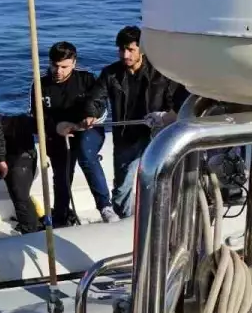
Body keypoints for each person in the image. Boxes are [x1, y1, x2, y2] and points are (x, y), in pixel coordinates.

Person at [70, 26, 188, 218]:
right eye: (121, 49)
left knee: (161, 180)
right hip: (126, 136)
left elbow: (175, 102)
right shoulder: (110, 74)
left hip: (157, 135)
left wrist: (164, 117)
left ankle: (162, 217)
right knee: (122, 188)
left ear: (142, 49)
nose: (125, 55)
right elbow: (95, 98)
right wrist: (91, 114)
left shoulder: (161, 72)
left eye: (131, 50)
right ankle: (124, 222)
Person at [39, 42, 118, 225]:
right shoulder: (40, 84)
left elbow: (102, 107)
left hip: (87, 130)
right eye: (55, 66)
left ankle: (105, 206)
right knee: (62, 175)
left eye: (64, 67)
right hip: (58, 134)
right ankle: (61, 216)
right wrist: (57, 127)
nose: (58, 71)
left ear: (74, 63)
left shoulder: (87, 79)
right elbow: (36, 116)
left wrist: (92, 117)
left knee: (85, 152)